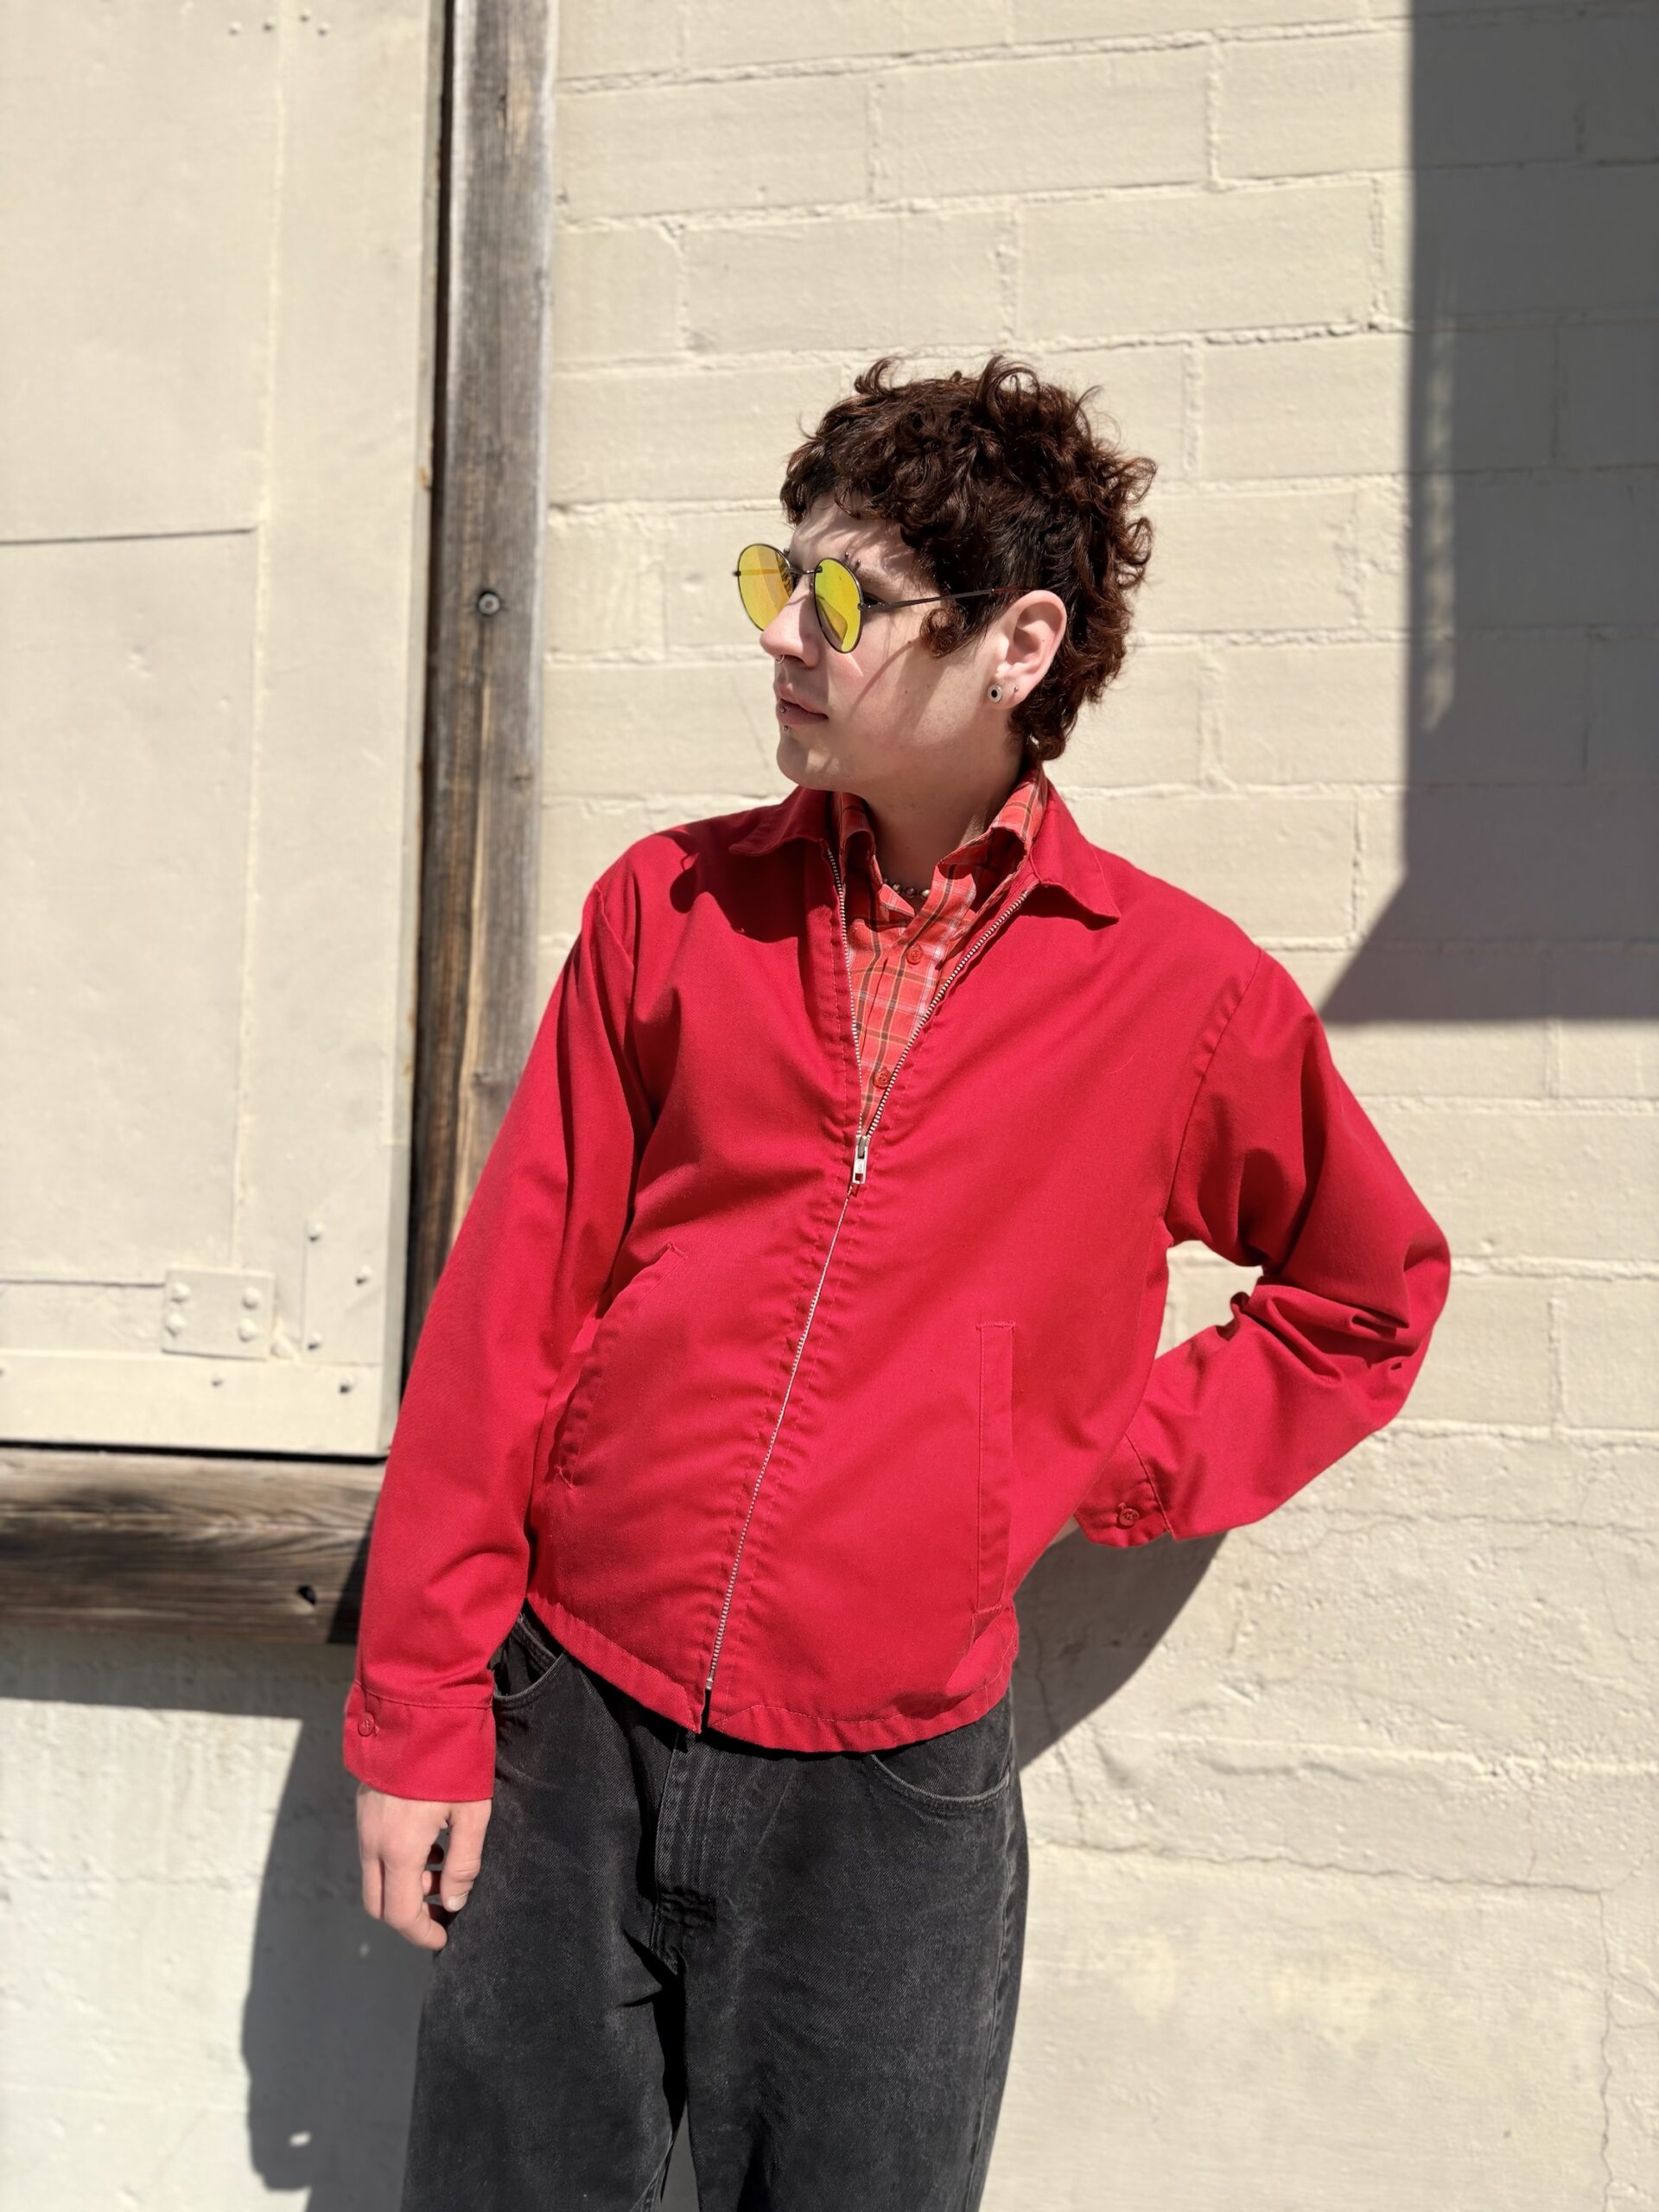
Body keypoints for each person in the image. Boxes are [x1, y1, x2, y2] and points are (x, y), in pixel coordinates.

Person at [344, 353, 1451, 2211]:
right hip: (571, 1720)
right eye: (777, 582)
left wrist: (1086, 1457)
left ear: (1018, 644)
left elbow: (1367, 1296)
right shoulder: (667, 911)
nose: (785, 635)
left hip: (890, 1795)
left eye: (844, 602)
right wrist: (423, 1707)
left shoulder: (1180, 995)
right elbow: (504, 1326)